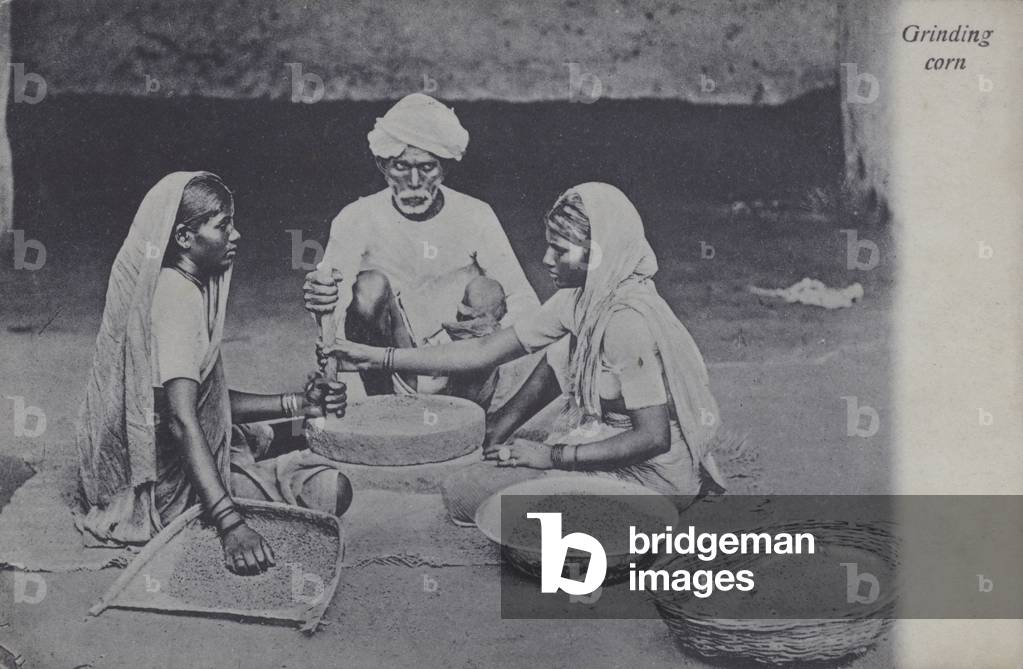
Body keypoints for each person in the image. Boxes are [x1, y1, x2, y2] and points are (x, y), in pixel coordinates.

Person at [327, 182, 727, 525]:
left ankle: (643, 519)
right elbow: (484, 351)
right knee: (470, 488)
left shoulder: (627, 322)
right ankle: (513, 441)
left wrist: (553, 455)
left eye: (560, 251)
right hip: (608, 444)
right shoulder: (580, 301)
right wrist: (377, 358)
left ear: (599, 255)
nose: (546, 259)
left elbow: (654, 437)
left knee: (476, 499)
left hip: (653, 474)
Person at [76, 172, 352, 575]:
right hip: (168, 479)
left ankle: (268, 454)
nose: (235, 235)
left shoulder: (184, 284)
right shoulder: (177, 298)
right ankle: (244, 484)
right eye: (223, 225)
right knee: (332, 489)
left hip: (189, 442)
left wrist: (298, 403)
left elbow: (208, 401)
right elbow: (181, 420)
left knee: (305, 433)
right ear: (185, 238)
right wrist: (231, 524)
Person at [302, 93, 539, 405]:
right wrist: (322, 302)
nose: (414, 181)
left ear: (445, 169)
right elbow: (332, 306)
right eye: (401, 166)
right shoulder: (356, 217)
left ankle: (467, 414)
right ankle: (387, 409)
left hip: (462, 363)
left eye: (427, 167)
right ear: (382, 165)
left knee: (486, 290)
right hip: (390, 362)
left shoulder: (475, 214)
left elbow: (525, 302)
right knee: (369, 286)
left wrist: (491, 332)